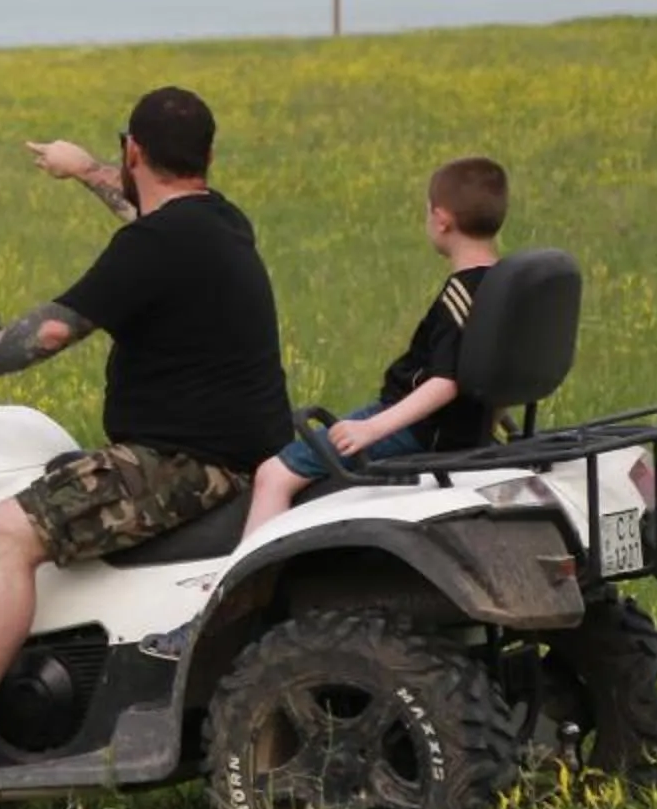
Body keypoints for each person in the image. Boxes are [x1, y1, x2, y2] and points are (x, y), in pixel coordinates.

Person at [0, 87, 291, 780]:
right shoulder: (222, 223)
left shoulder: (150, 247)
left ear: (134, 150)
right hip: (240, 452)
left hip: (185, 463)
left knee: (6, 530)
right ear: (208, 157)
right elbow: (144, 205)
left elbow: (52, 331)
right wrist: (84, 170)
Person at [138, 155, 509, 663]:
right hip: (461, 430)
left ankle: (218, 615)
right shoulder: (504, 285)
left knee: (274, 474)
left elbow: (445, 382)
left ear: (440, 218)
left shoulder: (459, 295)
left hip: (418, 429)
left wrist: (372, 428)